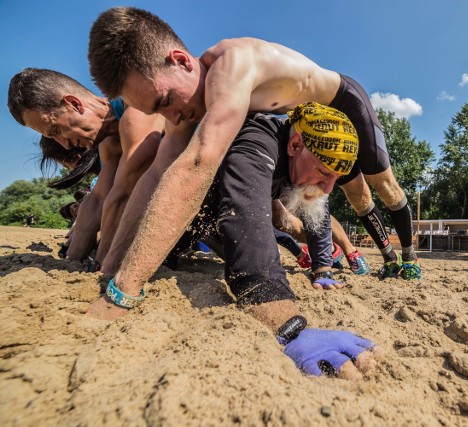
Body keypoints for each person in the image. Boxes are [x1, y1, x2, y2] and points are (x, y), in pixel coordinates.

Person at [87, 6, 419, 281]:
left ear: (182, 61)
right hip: (306, 128)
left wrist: (127, 285)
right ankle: (381, 257)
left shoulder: (230, 68)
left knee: (379, 189)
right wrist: (112, 261)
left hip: (344, 102)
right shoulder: (189, 108)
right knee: (339, 193)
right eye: (156, 111)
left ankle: (406, 256)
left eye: (165, 101)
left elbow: (197, 165)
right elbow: (156, 174)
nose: (171, 118)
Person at [88, 102, 378, 379]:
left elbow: (320, 214)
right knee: (172, 254)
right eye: (324, 173)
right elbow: (246, 216)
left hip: (215, 222)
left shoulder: (311, 164)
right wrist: (290, 327)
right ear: (295, 144)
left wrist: (322, 269)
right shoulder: (256, 142)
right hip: (177, 222)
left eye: (335, 179)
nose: (327, 187)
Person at [7, 68, 164, 265]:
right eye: (53, 137)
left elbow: (125, 193)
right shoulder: (109, 142)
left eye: (57, 130)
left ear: (74, 104)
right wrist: (72, 260)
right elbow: (99, 199)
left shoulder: (135, 111)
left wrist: (103, 266)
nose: (65, 145)